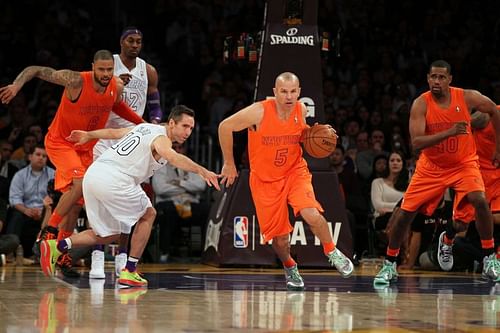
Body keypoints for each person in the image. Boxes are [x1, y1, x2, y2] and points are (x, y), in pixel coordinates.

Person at [39, 105, 220, 287]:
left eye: (191, 128)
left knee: (108, 234)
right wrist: (201, 170)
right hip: (115, 178)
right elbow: (172, 157)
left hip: (94, 175)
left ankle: (58, 246)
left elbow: (114, 132)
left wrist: (89, 135)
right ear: (171, 123)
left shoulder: (144, 127)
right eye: (185, 126)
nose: (188, 132)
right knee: (149, 214)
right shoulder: (163, 139)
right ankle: (130, 270)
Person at [0, 50, 144, 276]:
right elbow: (35, 70)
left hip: (85, 147)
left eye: (109, 70)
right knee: (79, 183)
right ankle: (48, 233)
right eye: (101, 69)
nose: (106, 74)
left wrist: (142, 123)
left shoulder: (116, 86)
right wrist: (17, 86)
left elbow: (116, 106)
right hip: (61, 143)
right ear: (93, 67)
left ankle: (62, 256)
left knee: (77, 203)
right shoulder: (76, 80)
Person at [218, 72, 353, 291]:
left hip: (294, 172)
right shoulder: (259, 111)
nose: (289, 96)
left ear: (299, 92)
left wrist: (319, 135)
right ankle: (290, 266)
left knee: (312, 213)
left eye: (293, 91)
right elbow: (225, 126)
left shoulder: (301, 109)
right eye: (283, 91)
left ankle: (332, 251)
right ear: (275, 92)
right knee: (280, 240)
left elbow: (302, 136)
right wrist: (229, 163)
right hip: (265, 181)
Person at [373, 60, 500, 286]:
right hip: (431, 167)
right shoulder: (421, 104)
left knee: (479, 201)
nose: (437, 82)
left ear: (450, 79)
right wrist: (450, 132)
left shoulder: (467, 97)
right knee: (405, 214)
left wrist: (498, 148)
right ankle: (389, 263)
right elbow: (416, 144)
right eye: (433, 77)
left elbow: (493, 109)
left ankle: (490, 259)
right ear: (428, 79)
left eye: (442, 77)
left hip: (463, 164)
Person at [90, 27, 163, 279]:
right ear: (121, 42)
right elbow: (94, 92)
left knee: (129, 199)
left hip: (132, 139)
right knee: (100, 198)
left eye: (139, 41)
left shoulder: (148, 70)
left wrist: (155, 121)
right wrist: (115, 85)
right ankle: (97, 255)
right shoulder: (108, 65)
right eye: (130, 41)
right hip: (105, 134)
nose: (135, 45)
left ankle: (122, 256)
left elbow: (155, 105)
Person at [436, 107, 500, 271]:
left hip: (497, 176)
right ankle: (448, 239)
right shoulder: (491, 113)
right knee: (461, 225)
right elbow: (468, 122)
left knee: (496, 218)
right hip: (476, 172)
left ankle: (492, 258)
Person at [152, 142, 208, 262]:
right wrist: (188, 187)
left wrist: (179, 183)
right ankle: (165, 252)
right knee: (167, 211)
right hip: (169, 204)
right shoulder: (160, 165)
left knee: (206, 210)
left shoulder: (192, 165)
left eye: (180, 147)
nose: (177, 150)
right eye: (174, 147)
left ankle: (205, 252)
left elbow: (201, 185)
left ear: (185, 149)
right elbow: (160, 188)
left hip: (189, 203)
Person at [7, 144, 54, 259]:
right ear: (30, 157)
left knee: (54, 214)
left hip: (45, 211)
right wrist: (26, 210)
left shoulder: (53, 174)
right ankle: (10, 252)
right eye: (38, 154)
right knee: (15, 214)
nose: (41, 158)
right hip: (25, 211)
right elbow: (14, 198)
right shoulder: (20, 175)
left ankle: (46, 253)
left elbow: (56, 196)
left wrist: (44, 209)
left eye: (44, 156)